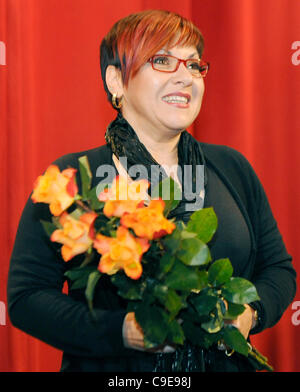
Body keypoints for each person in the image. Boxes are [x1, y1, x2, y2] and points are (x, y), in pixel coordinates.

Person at [7, 9, 296, 372]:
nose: (185, 77)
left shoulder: (232, 167)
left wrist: (250, 314)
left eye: (193, 65)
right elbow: (27, 298)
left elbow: (279, 270)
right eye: (162, 60)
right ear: (116, 81)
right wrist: (121, 331)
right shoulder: (72, 181)